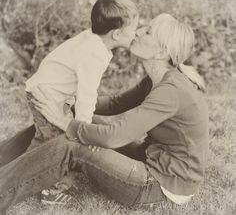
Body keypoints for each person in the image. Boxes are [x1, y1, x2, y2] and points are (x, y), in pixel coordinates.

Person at [0, 13, 209, 214]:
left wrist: (66, 123)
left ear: (161, 52)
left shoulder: (170, 90)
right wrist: (67, 103)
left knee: (72, 144)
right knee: (70, 120)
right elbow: (115, 104)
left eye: (148, 32)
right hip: (149, 157)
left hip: (159, 184)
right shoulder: (157, 79)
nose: (138, 31)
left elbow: (114, 136)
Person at [24, 0, 139, 202]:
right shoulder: (93, 54)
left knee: (45, 139)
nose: (136, 33)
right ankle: (51, 190)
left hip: (50, 91)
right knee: (55, 142)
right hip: (48, 96)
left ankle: (17, 168)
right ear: (116, 34)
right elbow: (87, 93)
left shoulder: (93, 39)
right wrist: (84, 130)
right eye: (133, 30)